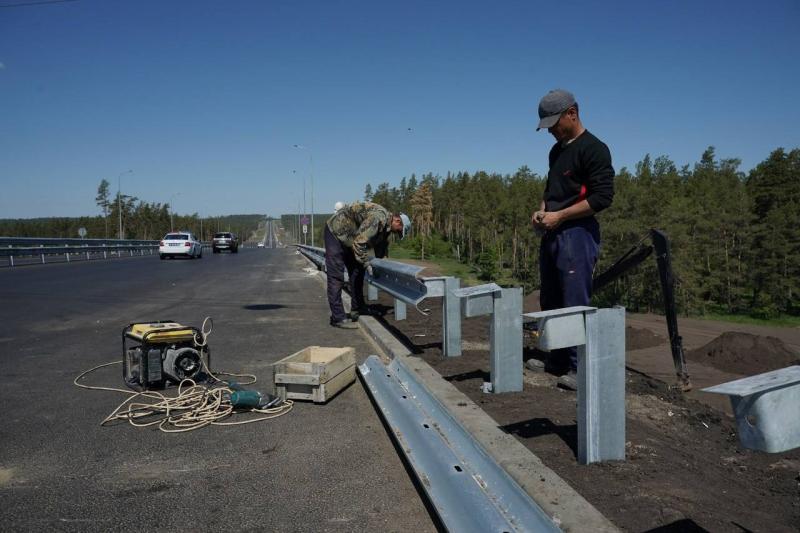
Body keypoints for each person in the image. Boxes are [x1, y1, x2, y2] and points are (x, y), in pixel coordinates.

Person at [531, 89, 615, 389]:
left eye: (555, 123)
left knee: (574, 300)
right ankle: (556, 358)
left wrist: (561, 216)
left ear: (572, 113)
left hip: (578, 233)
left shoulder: (594, 149)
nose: (551, 130)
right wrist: (542, 211)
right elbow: (550, 189)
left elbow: (603, 197)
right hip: (553, 231)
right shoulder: (556, 151)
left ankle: (581, 370)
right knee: (551, 297)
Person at [324, 201, 411, 329]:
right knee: (336, 276)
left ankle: (358, 308)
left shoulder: (386, 226)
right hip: (335, 232)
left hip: (350, 237)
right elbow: (360, 242)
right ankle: (338, 318)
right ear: (397, 221)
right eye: (399, 231)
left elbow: (380, 247)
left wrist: (379, 263)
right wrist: (366, 263)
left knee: (357, 271)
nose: (396, 234)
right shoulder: (378, 219)